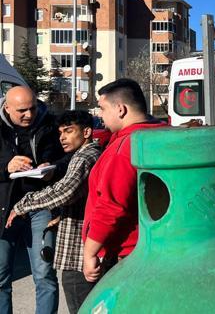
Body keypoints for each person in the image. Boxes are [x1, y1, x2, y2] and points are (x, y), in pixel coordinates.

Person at [6, 111, 101, 313]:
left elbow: (65, 191)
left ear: (86, 132)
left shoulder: (84, 157)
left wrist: (24, 203)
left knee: (80, 304)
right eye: (60, 133)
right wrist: (61, 217)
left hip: (78, 253)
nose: (62, 138)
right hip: (78, 246)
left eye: (68, 131)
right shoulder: (85, 154)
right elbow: (83, 198)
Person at [82, 79, 163, 283]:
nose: (100, 115)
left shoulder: (125, 147)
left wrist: (90, 252)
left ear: (120, 109)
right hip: (156, 247)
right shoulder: (161, 134)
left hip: (127, 254)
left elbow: (111, 205)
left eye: (102, 108)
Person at [0, 86, 65, 314]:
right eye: (21, 111)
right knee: (0, 278)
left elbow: (67, 157)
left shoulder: (50, 124)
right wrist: (5, 167)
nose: (29, 114)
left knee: (44, 275)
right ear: (6, 108)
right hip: (4, 211)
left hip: (40, 208)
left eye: (33, 108)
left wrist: (51, 168)